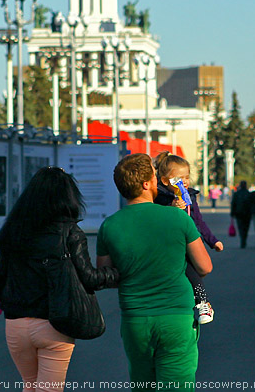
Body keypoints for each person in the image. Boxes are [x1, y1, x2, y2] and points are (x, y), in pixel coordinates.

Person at [0, 167, 119, 391]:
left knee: (29, 386)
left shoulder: (14, 230)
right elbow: (89, 278)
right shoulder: (70, 232)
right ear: (68, 197)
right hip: (54, 325)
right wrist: (119, 273)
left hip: (15, 326)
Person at [97, 153, 212, 389]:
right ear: (147, 184)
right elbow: (204, 266)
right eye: (154, 174)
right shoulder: (177, 217)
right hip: (176, 318)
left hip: (136, 320)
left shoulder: (110, 225)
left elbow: (105, 275)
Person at [153, 152, 223, 325]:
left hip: (190, 241)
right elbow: (155, 219)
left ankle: (201, 301)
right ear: (165, 181)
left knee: (193, 268)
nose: (184, 182)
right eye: (178, 178)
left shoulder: (190, 196)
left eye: (186, 177)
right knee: (183, 270)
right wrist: (171, 207)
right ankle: (196, 301)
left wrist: (212, 240)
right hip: (169, 242)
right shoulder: (159, 196)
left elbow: (199, 221)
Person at [231, 181, 252, 248]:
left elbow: (233, 204)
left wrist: (232, 213)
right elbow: (251, 205)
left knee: (240, 227)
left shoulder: (237, 194)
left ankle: (242, 239)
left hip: (239, 213)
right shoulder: (248, 194)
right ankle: (244, 239)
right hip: (247, 214)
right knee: (246, 227)